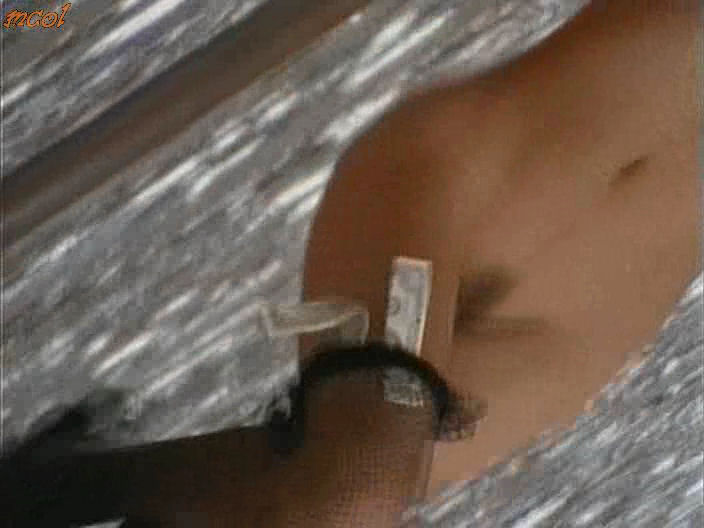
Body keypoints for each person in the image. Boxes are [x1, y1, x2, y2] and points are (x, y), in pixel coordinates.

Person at [2, 0, 699, 526]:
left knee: (339, 499)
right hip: (447, 199)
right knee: (349, 494)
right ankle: (59, 484)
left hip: (516, 374)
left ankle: (74, 484)